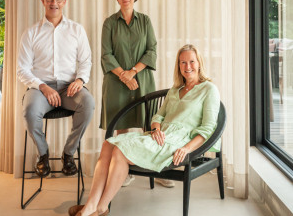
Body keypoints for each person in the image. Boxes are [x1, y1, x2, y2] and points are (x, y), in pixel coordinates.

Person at [68, 44, 220, 216]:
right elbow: (158, 117)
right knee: (108, 145)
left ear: (199, 63)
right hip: (159, 136)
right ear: (178, 65)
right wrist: (156, 129)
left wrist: (186, 148)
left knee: (120, 152)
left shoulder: (209, 89)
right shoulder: (175, 90)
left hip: (179, 141)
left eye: (191, 62)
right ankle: (90, 206)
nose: (188, 67)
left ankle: (101, 208)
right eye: (183, 63)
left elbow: (207, 129)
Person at [17, 0, 95, 177]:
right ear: (43, 1)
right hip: (40, 89)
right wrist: (43, 87)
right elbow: (22, 69)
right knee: (29, 110)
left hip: (70, 88)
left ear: (65, 2)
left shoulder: (77, 30)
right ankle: (43, 155)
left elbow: (86, 61)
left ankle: (68, 154)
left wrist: (80, 80)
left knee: (88, 103)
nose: (54, 3)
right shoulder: (31, 33)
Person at [100, 0, 158, 186]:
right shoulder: (109, 22)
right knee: (120, 127)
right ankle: (123, 171)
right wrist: (123, 75)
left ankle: (156, 170)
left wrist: (133, 72)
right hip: (116, 82)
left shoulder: (145, 21)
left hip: (142, 79)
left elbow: (152, 50)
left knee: (149, 125)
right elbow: (106, 55)